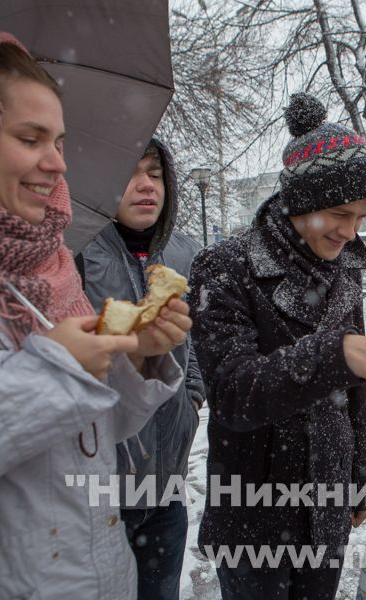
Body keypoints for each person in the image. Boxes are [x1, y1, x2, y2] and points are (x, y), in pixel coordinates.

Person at [0, 32, 191, 599]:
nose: (58, 163)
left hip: (95, 571)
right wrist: (52, 371)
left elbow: (94, 434)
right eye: (30, 138)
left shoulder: (50, 258)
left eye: (60, 142)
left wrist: (135, 360)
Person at [189, 92, 366, 600]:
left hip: (327, 505)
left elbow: (351, 393)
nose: (350, 231)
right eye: (340, 213)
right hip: (254, 508)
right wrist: (334, 354)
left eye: (362, 217)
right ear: (300, 201)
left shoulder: (342, 271)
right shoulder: (224, 267)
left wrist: (359, 476)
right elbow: (232, 392)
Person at [76, 138, 203, 600]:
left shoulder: (186, 254)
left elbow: (198, 338)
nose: (146, 185)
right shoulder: (77, 253)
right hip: (100, 492)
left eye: (155, 173)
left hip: (167, 485)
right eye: (130, 172)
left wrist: (192, 394)